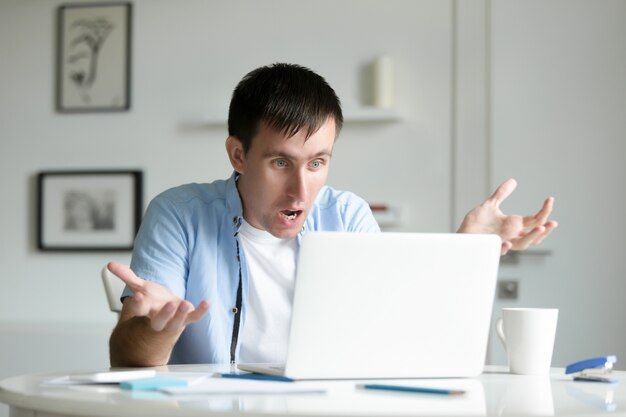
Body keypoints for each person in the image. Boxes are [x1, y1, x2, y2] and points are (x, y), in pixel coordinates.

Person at [108, 63, 557, 367]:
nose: (301, 190)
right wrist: (155, 330)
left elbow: (401, 331)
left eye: (317, 163)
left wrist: (466, 249)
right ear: (238, 154)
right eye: (281, 162)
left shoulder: (347, 215)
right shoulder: (178, 215)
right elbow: (127, 358)